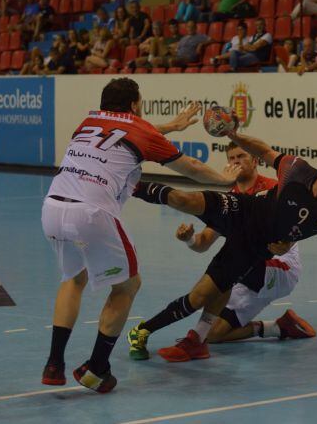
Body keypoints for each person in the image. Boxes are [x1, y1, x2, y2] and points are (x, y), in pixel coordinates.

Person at [126, 124, 317, 363]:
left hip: (261, 252)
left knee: (201, 295)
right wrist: (234, 134)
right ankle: (130, 185)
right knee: (185, 199)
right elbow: (265, 149)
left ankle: (151, 332)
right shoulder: (295, 171)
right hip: (242, 212)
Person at [40, 80, 239, 393]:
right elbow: (192, 167)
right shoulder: (142, 131)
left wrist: (170, 126)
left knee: (73, 280)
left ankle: (54, 363)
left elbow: (120, 135)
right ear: (134, 105)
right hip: (92, 213)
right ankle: (97, 368)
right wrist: (225, 181)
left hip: (52, 207)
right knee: (128, 285)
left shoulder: (88, 122)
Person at [156, 143, 316, 362]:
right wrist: (190, 239)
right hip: (247, 270)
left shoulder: (273, 189)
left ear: (256, 161)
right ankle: (279, 327)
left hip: (280, 268)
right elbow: (203, 243)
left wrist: (287, 241)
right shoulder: (229, 200)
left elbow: (299, 222)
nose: (236, 161)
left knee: (226, 269)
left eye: (241, 156)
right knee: (214, 333)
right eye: (231, 158)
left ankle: (194, 341)